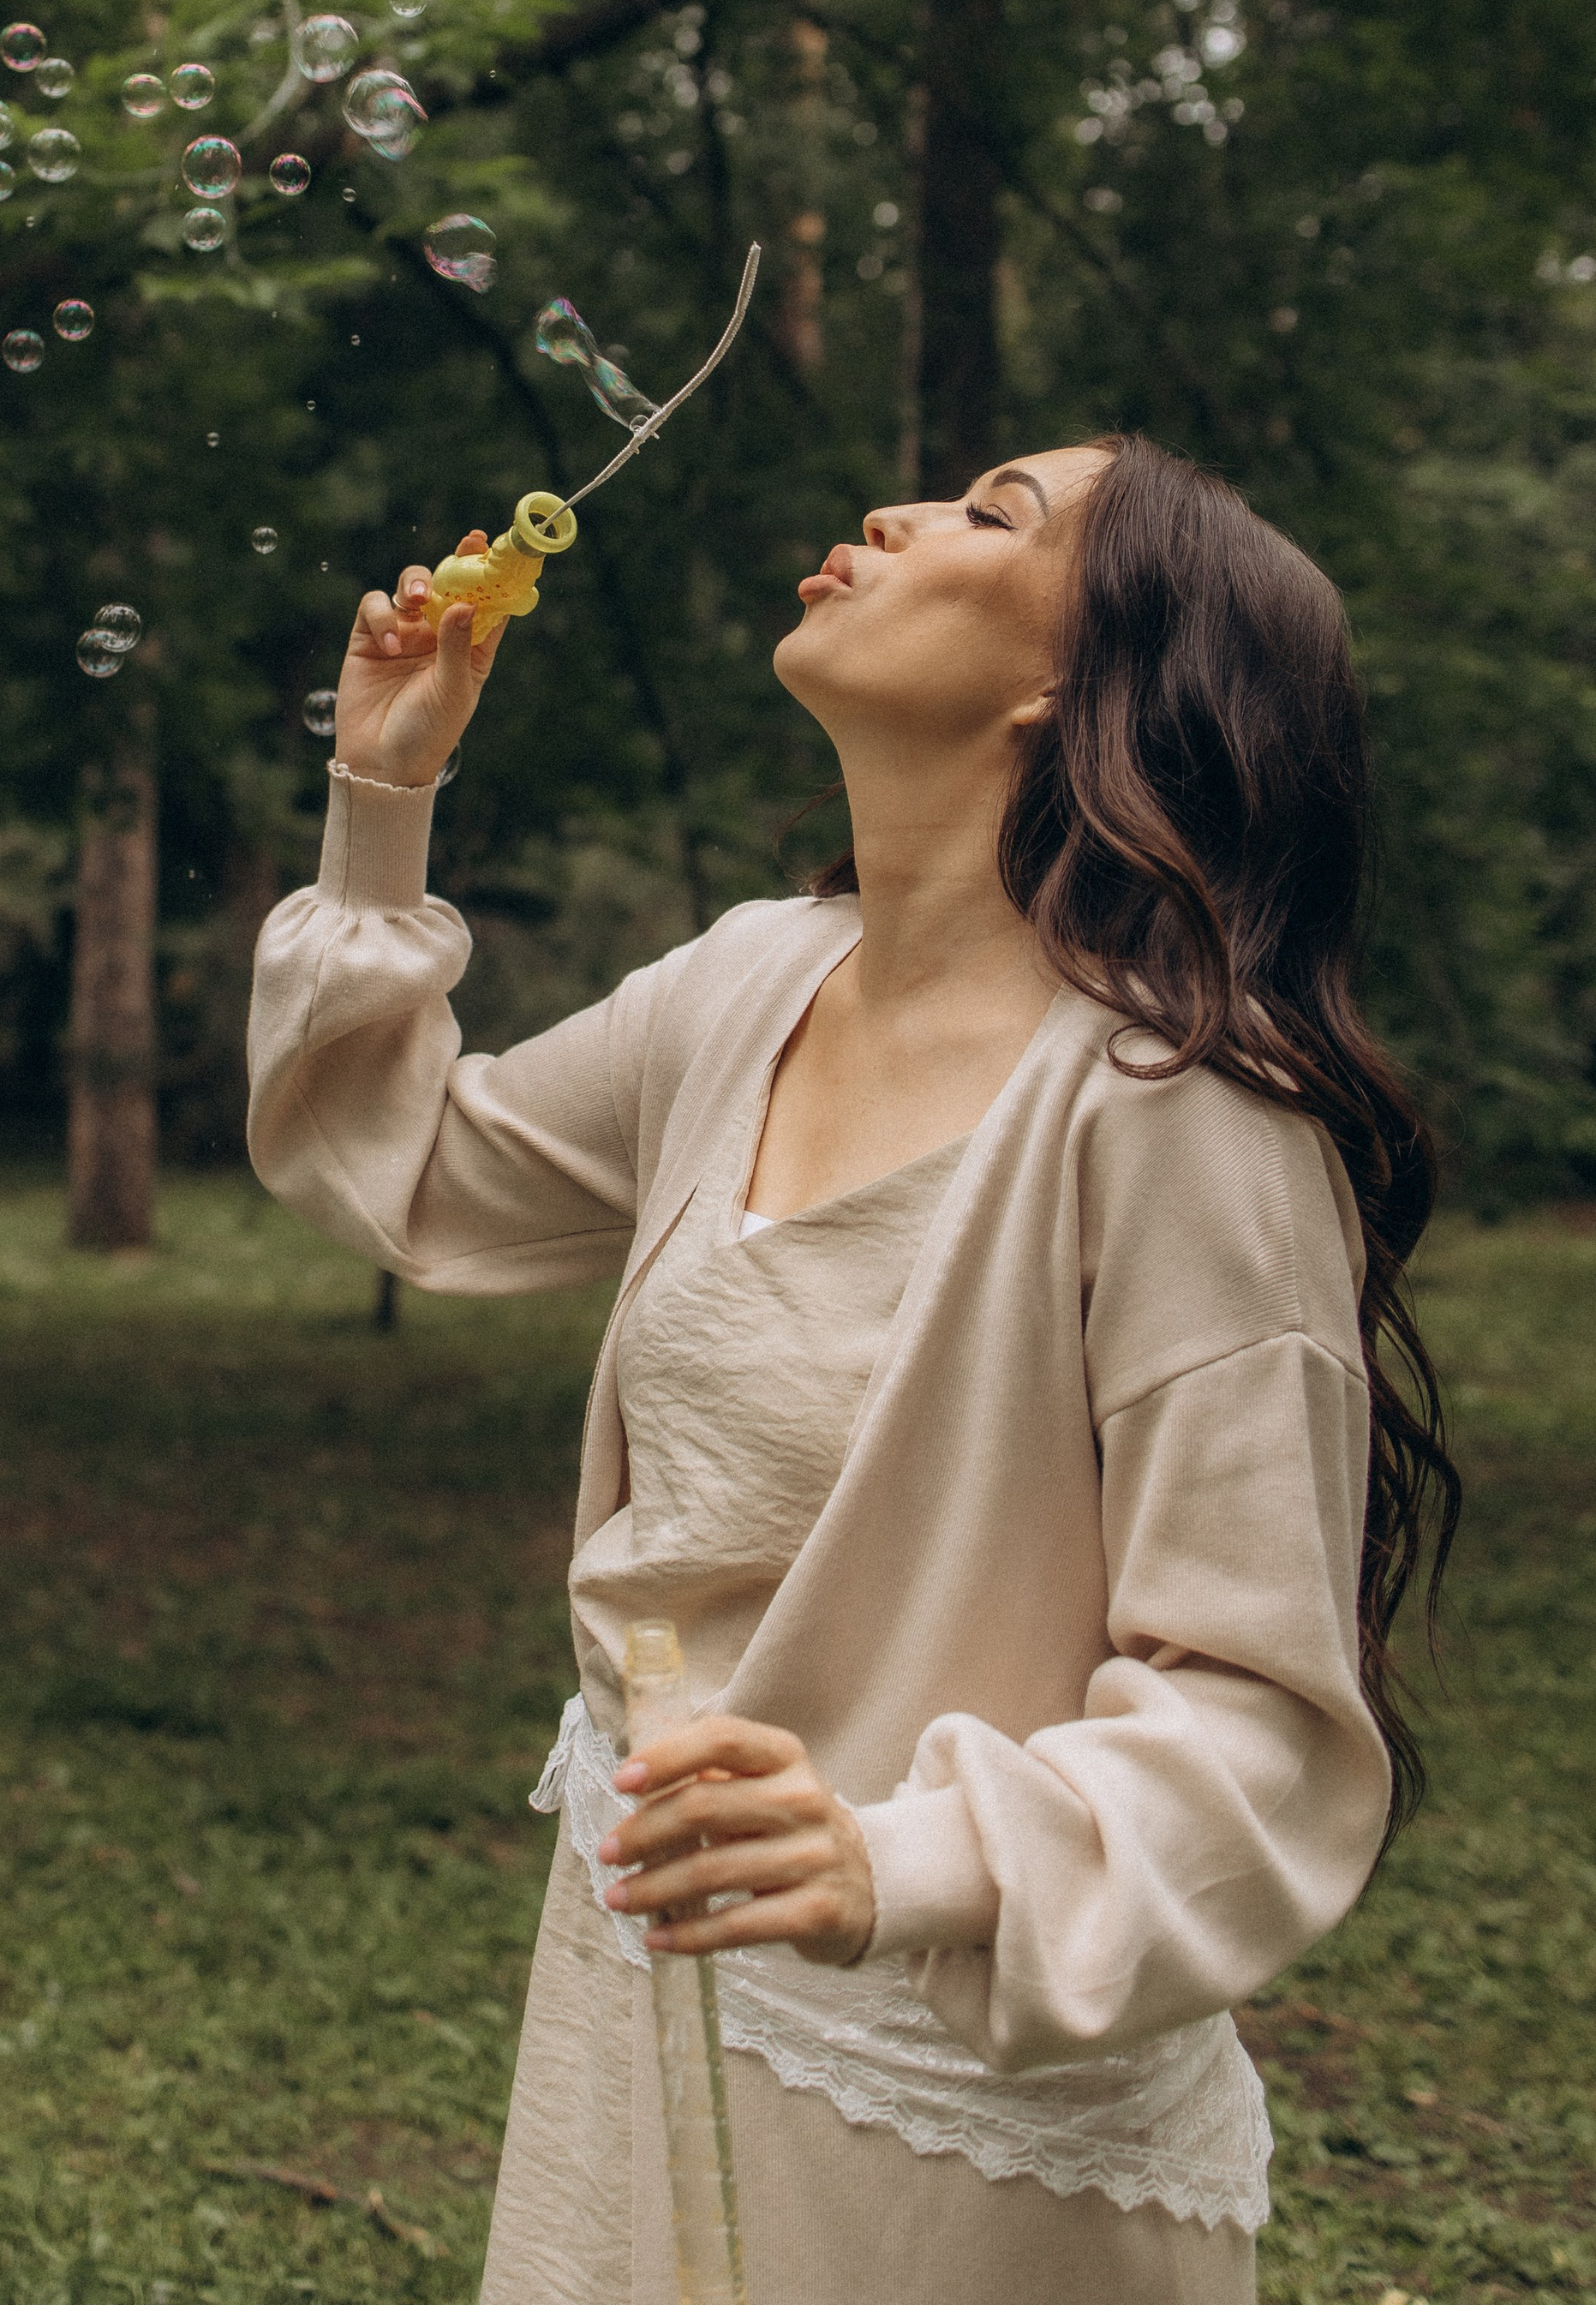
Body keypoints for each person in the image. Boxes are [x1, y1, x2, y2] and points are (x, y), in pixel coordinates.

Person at [246, 436, 1460, 2303]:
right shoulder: (744, 984)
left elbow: (1262, 1733)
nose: (895, 514)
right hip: (649, 1983)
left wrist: (899, 1861)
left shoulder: (1182, 1118)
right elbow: (402, 1169)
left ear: (1074, 682)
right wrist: (381, 799)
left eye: (994, 513)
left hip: (950, 2119)